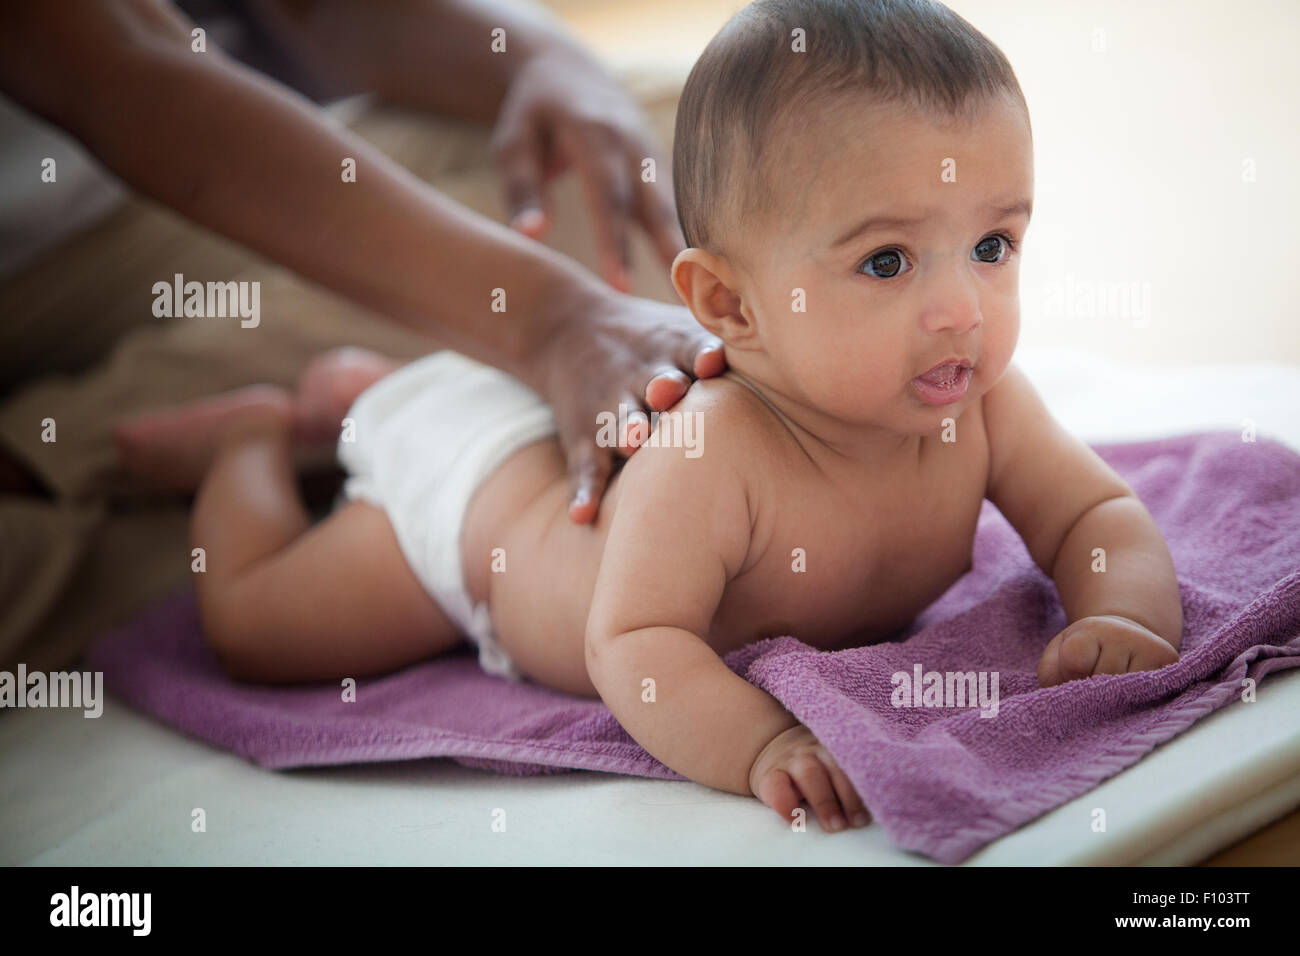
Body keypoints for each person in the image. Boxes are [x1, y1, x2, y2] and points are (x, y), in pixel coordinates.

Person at [113, 0, 1184, 834]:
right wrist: (757, 743)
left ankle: (359, 388)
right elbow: (633, 640)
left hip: (546, 409)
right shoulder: (714, 451)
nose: (961, 308)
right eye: (887, 261)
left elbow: (1095, 514)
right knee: (259, 626)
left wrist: (1123, 614)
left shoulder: (982, 404)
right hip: (476, 503)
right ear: (726, 305)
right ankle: (254, 435)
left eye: (993, 245)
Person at [0, 0, 726, 521]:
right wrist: (553, 321)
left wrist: (547, 60)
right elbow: (126, 78)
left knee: (685, 133)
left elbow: (320, 11)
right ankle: (53, 452)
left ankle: (223, 446)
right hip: (72, 231)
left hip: (231, 157)